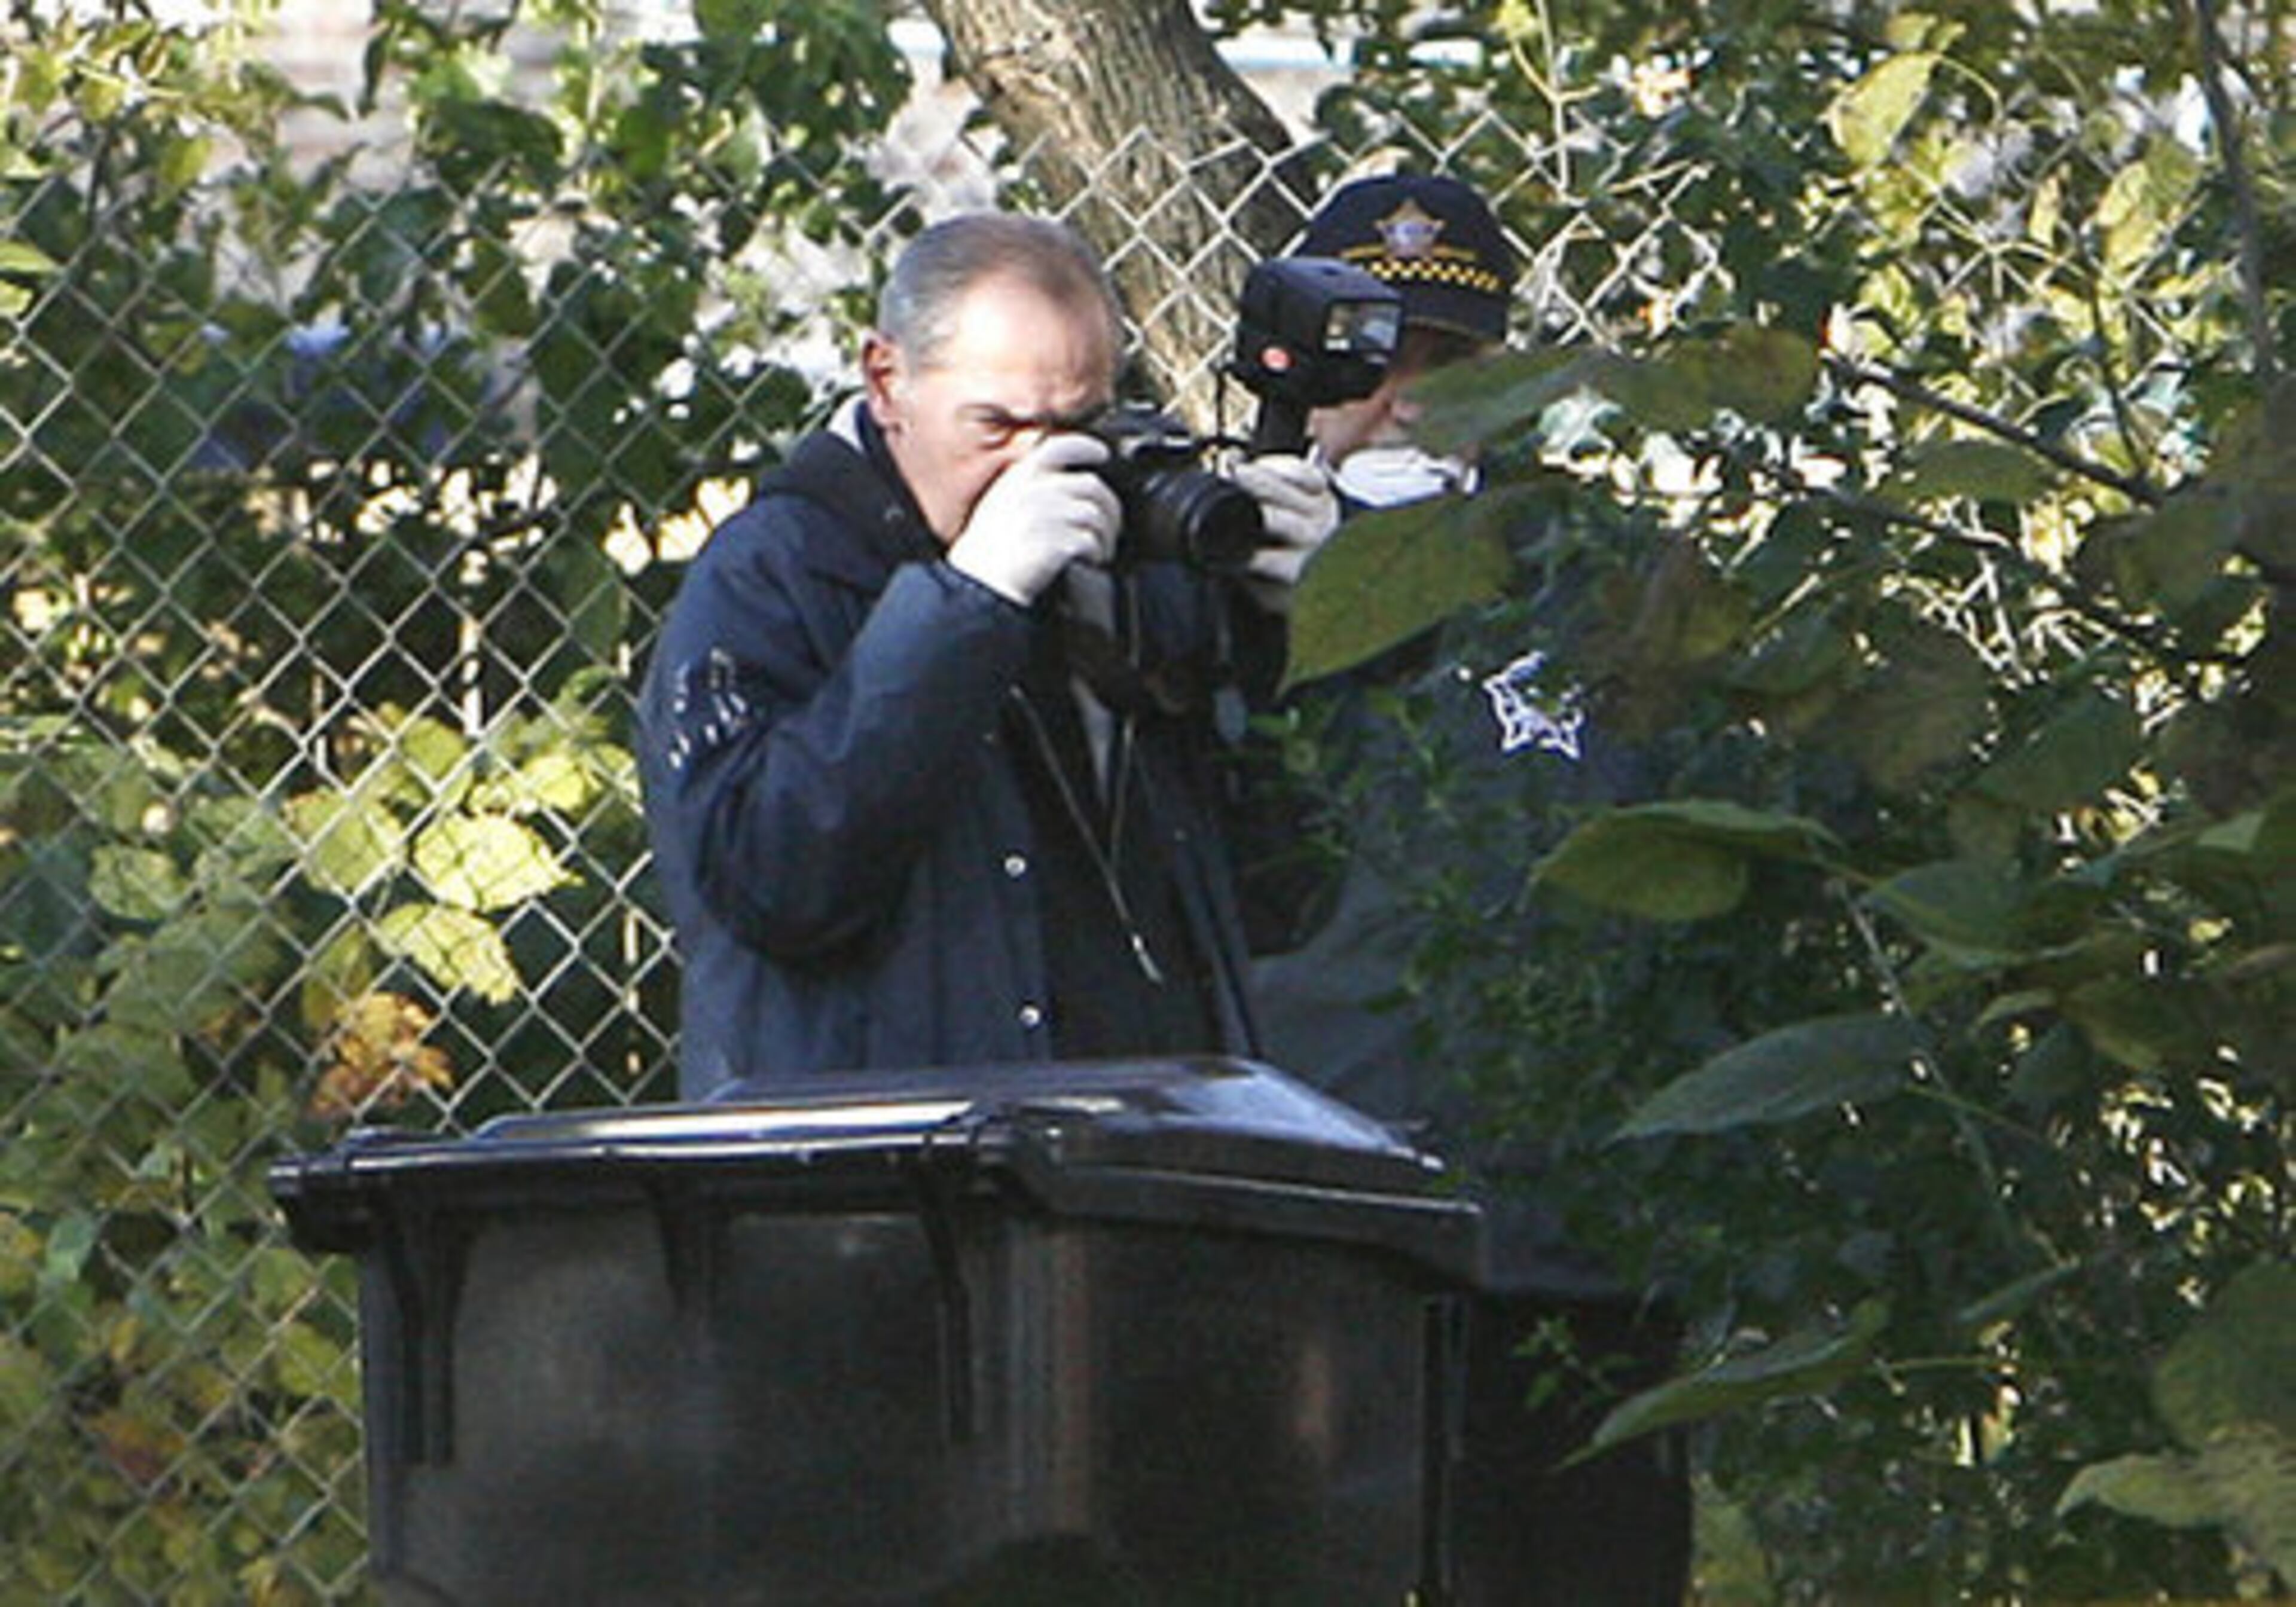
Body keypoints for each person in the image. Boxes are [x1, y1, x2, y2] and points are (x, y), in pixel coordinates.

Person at [1248, 172, 1693, 1606]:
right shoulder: (1198, 556)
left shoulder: (1600, 578)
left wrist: (1404, 596)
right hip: (1301, 1234)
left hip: (1556, 1248)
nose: (1404, 407)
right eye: (1368, 364)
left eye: (1447, 370)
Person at [636, 211, 1336, 1099]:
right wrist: (969, 604)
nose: (1039, 470)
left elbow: (1282, 895)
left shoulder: (1124, 558)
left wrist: (1293, 636)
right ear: (886, 381)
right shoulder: (772, 571)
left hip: (1142, 1153)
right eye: (996, 427)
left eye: (1079, 425)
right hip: (887, 1180)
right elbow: (771, 883)